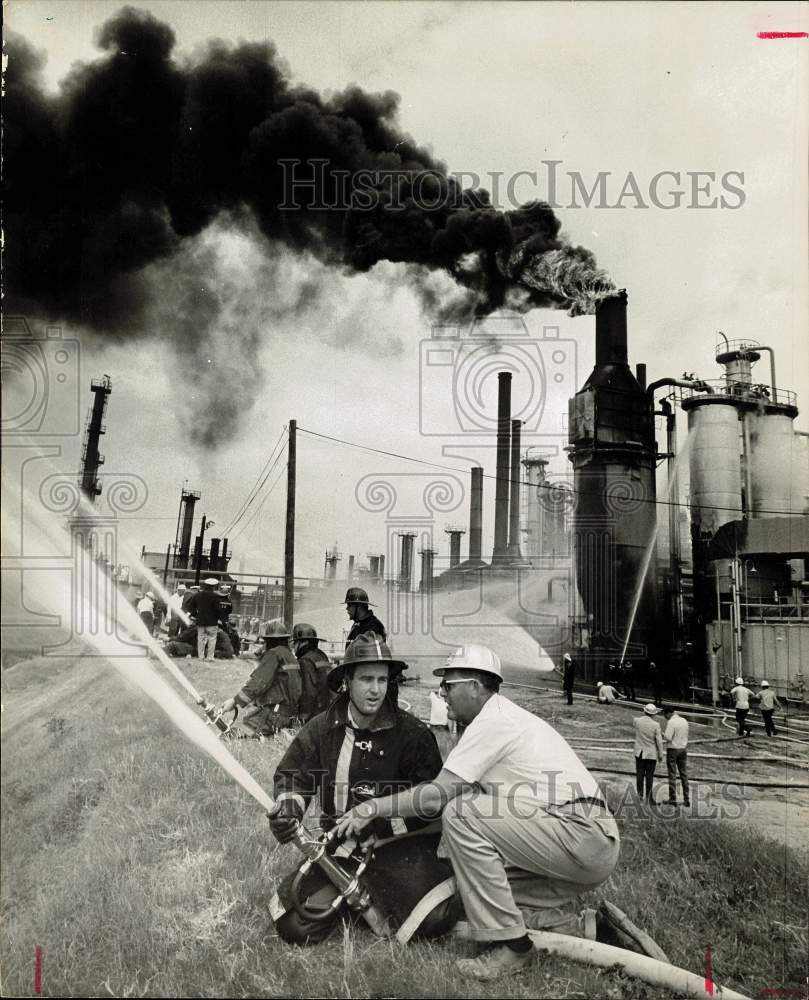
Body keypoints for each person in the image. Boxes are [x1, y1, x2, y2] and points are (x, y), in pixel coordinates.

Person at [336, 643, 620, 981]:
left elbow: (438, 799)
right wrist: (385, 842)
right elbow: (444, 817)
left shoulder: (493, 721)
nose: (443, 694)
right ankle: (588, 928)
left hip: (579, 833)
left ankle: (514, 949)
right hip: (576, 840)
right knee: (474, 895)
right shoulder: (496, 722)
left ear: (475, 686)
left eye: (449, 685)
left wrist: (371, 807)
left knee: (462, 815)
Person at [267, 633, 458, 945]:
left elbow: (432, 803)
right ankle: (353, 899)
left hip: (398, 849)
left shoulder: (412, 735)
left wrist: (381, 819)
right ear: (347, 681)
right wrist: (289, 808)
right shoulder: (322, 728)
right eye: (367, 679)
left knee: (435, 920)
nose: (375, 690)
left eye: (382, 680)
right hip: (339, 850)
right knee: (295, 928)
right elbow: (294, 778)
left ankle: (376, 896)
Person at [219, 620, 301, 735]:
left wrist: (234, 701)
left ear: (269, 640)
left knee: (239, 732)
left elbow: (258, 683)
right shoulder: (289, 656)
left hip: (274, 714)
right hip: (288, 715)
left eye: (265, 641)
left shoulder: (274, 654)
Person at [293, 622, 331, 722]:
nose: (294, 646)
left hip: (314, 714)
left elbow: (308, 692)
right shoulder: (322, 655)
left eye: (295, 642)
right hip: (327, 710)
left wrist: (303, 718)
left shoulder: (305, 660)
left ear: (303, 642)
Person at [633, 703, 663, 803]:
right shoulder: (656, 725)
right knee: (649, 776)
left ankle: (640, 795)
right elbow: (659, 741)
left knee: (639, 775)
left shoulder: (637, 721)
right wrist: (660, 754)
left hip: (639, 752)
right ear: (653, 714)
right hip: (651, 754)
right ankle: (649, 797)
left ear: (644, 711)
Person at [187, 578, 223, 661]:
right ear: (213, 587)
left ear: (205, 586)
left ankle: (201, 656)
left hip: (200, 621)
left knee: (201, 639)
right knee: (212, 639)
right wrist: (218, 618)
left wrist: (196, 615)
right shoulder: (215, 596)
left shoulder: (197, 595)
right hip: (212, 622)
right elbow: (218, 610)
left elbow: (190, 607)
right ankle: (210, 657)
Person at [662, 706, 690, 806]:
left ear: (668, 713)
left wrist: (663, 735)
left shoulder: (671, 722)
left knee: (672, 774)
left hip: (673, 749)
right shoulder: (684, 720)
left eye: (665, 715)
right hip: (683, 749)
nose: (665, 717)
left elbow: (668, 738)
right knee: (684, 774)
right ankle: (687, 799)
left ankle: (672, 799)